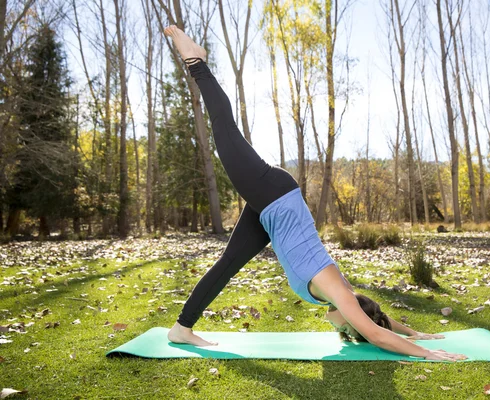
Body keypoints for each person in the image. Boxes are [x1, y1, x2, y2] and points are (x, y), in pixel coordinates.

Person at [163, 26, 466, 362]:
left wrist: (413, 332)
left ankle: (182, 328)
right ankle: (197, 62)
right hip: (275, 195)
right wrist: (426, 353)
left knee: (228, 263)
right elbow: (373, 330)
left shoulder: (342, 294)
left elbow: (377, 319)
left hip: (273, 216)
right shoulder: (338, 293)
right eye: (349, 325)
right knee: (225, 130)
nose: (342, 326)